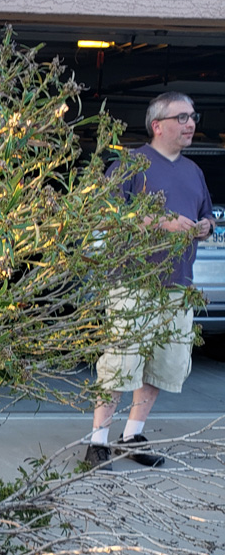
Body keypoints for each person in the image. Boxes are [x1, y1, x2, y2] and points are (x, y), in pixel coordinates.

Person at [84, 92, 214, 470]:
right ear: (158, 125)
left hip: (177, 286)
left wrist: (205, 227)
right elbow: (106, 216)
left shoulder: (194, 171)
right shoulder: (131, 164)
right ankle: (98, 441)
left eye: (193, 116)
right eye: (183, 117)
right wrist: (160, 222)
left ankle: (132, 435)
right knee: (119, 363)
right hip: (133, 283)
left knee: (163, 364)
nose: (191, 123)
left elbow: (205, 216)